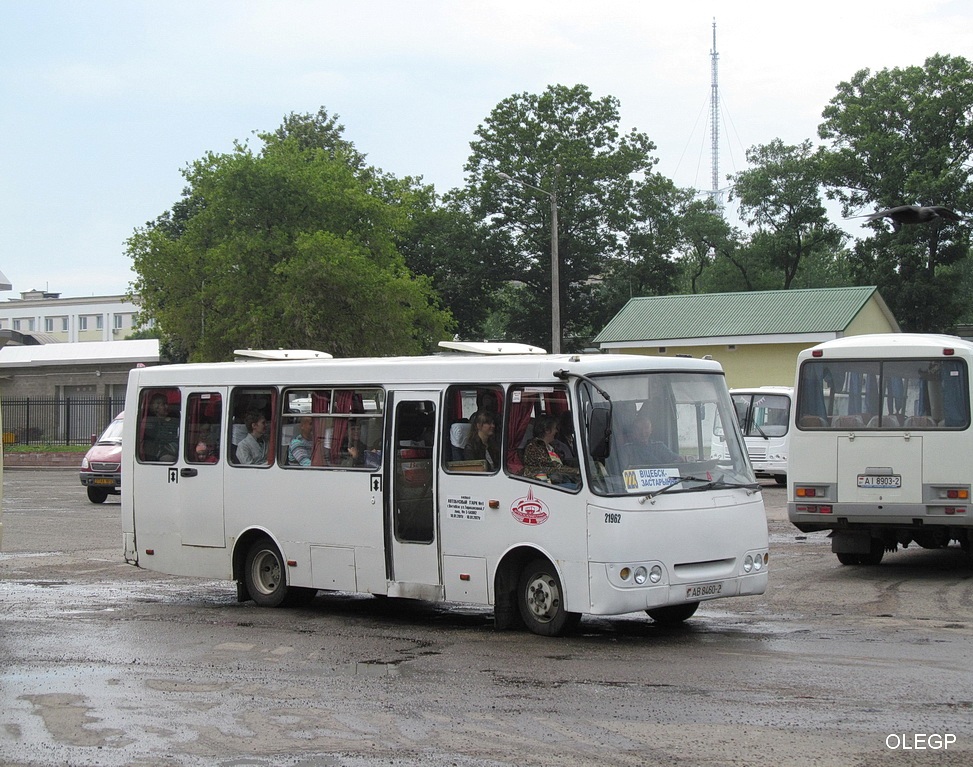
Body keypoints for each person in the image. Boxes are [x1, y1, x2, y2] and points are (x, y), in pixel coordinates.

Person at [523, 415, 580, 486]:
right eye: (555, 428)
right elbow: (552, 466)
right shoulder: (534, 447)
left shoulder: (551, 446)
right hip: (545, 483)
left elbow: (563, 462)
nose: (556, 431)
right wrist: (576, 471)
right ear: (547, 430)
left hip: (558, 479)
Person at [142, 393, 179, 461]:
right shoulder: (150, 422)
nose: (166, 406)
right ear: (156, 407)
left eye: (166, 404)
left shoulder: (175, 420)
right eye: (163, 404)